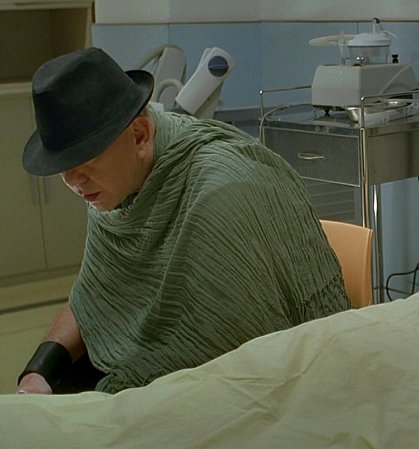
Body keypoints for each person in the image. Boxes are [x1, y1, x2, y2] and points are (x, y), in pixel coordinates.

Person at [15, 47, 351, 394]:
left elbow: (245, 360)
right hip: (169, 358)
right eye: (64, 168)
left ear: (140, 136)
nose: (73, 182)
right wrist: (38, 372)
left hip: (270, 377)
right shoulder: (112, 187)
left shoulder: (220, 195)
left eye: (85, 161)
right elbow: (97, 293)